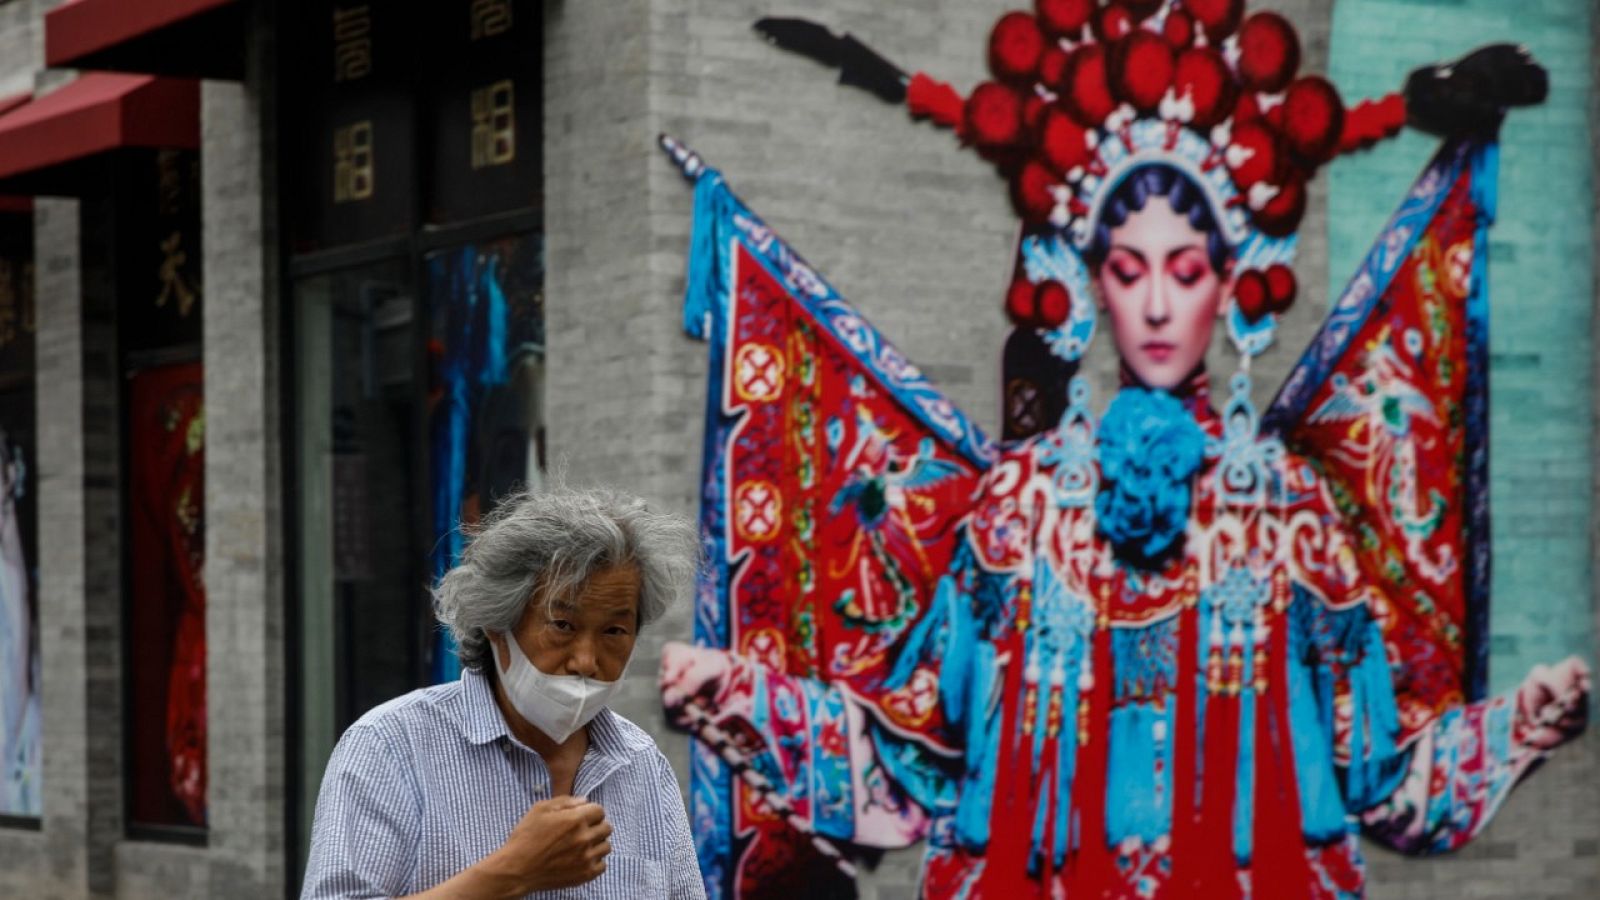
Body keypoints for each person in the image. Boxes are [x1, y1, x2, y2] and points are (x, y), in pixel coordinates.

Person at [661, 163, 1590, 898]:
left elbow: (1373, 776)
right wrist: (744, 696)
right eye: (1129, 269)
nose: (1155, 306)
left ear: (1228, 286)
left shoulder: (1288, 512)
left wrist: (1518, 726)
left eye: (1185, 273)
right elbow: (917, 769)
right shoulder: (1017, 508)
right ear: (1092, 283)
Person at [303, 486, 706, 899]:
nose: (586, 660)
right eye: (562, 625)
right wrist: (512, 872)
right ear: (498, 624)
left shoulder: (642, 766)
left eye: (614, 632)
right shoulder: (392, 745)